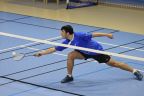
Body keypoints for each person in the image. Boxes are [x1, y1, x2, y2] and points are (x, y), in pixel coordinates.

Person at [34, 25, 143, 83]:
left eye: (61, 31)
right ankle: (69, 76)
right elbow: (54, 48)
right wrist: (42, 53)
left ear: (67, 32)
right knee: (71, 55)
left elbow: (93, 35)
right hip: (83, 52)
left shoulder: (80, 35)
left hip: (96, 51)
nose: (60, 33)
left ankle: (135, 71)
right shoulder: (68, 41)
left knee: (114, 63)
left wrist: (107, 34)